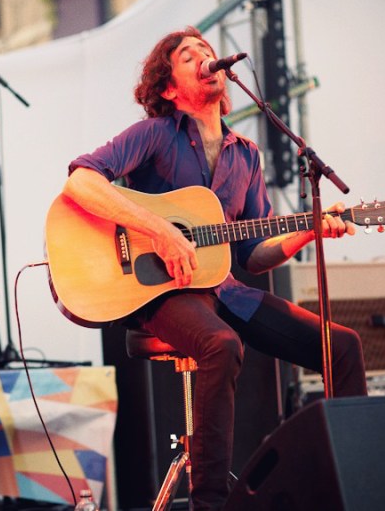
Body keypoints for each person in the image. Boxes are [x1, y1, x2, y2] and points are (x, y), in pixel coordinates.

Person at [62, 26, 367, 510]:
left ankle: (353, 487)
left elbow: (252, 253)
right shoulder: (155, 135)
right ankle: (210, 502)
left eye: (207, 49)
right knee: (221, 345)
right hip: (158, 292)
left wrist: (310, 230)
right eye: (189, 55)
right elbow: (80, 180)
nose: (206, 56)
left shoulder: (246, 155)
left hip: (224, 291)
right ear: (168, 87)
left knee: (344, 348)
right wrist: (159, 230)